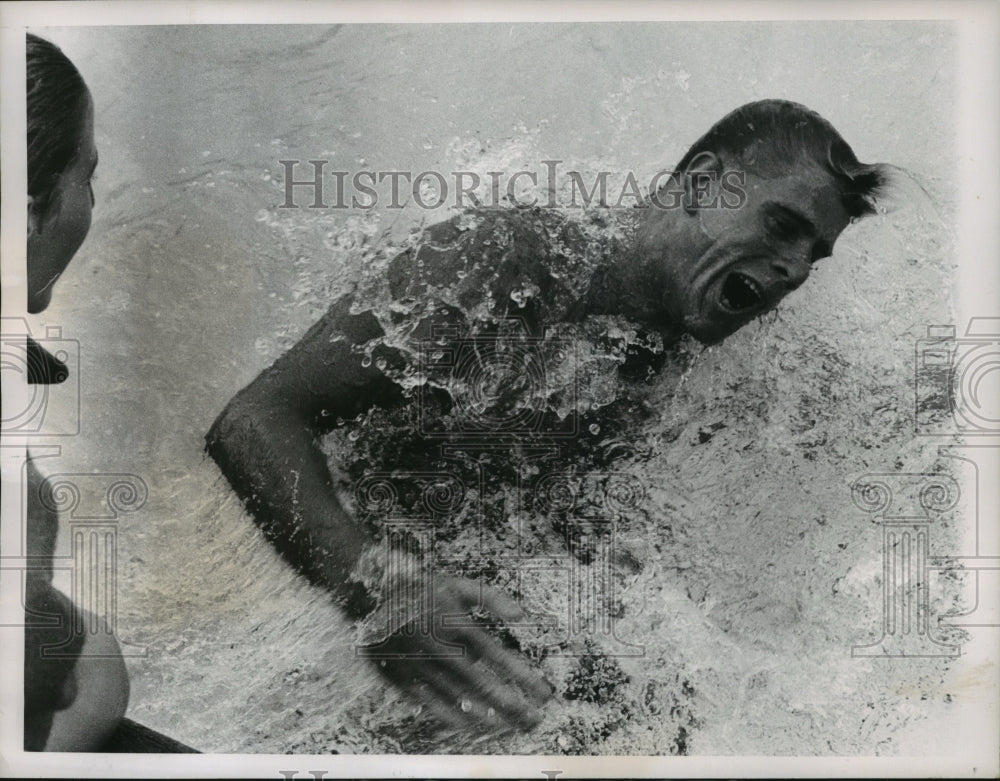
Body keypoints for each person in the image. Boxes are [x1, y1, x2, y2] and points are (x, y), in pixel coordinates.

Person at [205, 99, 888, 731]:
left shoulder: (678, 354)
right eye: (782, 226)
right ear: (701, 184)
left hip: (455, 646)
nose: (795, 271)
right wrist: (375, 588)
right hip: (334, 636)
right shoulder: (509, 262)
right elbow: (253, 419)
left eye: (813, 257)